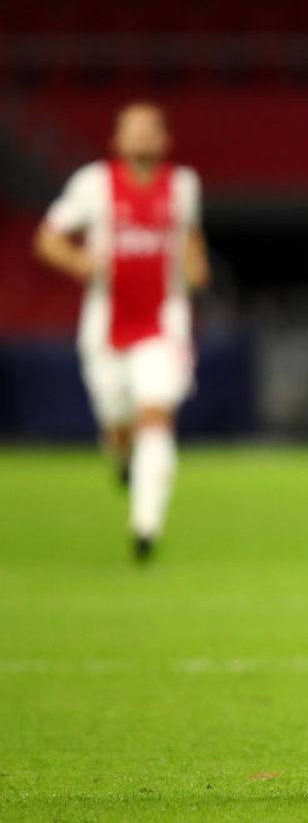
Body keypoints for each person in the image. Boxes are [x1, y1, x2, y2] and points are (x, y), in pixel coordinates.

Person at [35, 101, 209, 561]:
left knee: (155, 413)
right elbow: (47, 238)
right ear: (116, 140)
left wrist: (195, 267)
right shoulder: (93, 185)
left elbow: (190, 239)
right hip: (105, 326)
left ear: (166, 140)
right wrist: (80, 262)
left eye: (151, 129)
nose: (142, 137)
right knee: (117, 425)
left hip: (163, 324)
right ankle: (123, 459)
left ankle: (145, 526)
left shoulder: (183, 186)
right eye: (133, 129)